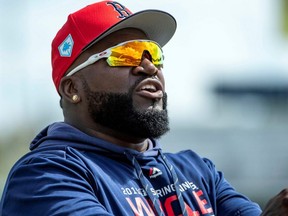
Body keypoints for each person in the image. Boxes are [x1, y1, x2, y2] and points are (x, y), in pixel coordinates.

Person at [0, 1, 287, 215]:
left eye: (154, 54)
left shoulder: (198, 171)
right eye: (127, 55)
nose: (149, 66)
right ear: (73, 89)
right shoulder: (44, 176)